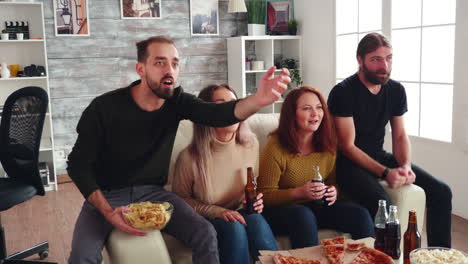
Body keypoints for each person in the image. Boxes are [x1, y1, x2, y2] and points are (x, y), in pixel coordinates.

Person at [66, 36, 290, 264]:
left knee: (205, 233)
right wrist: (106, 210)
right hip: (107, 193)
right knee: (82, 257)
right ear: (140, 69)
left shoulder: (177, 101)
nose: (169, 70)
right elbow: (77, 165)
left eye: (175, 63)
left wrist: (259, 99)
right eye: (160, 62)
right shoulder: (104, 108)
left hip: (154, 195)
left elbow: (217, 114)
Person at [327, 32, 452, 247]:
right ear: (360, 60)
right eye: (376, 59)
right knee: (382, 203)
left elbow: (400, 134)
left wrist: (404, 166)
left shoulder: (396, 90)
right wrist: (385, 173)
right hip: (347, 163)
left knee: (441, 192)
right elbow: (346, 147)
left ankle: (437, 256)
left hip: (378, 154)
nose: (384, 65)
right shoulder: (343, 92)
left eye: (389, 58)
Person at [172, 84, 278, 264]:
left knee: (256, 221)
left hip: (240, 212)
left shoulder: (251, 144)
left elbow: (253, 185)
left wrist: (257, 200)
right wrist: (217, 211)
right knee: (233, 227)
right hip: (206, 219)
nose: (230, 111)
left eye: (233, 104)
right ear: (207, 114)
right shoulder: (189, 157)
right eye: (221, 105)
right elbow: (179, 201)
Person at [257, 86, 374, 249]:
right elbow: (265, 195)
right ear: (292, 114)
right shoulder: (276, 147)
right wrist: (299, 192)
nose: (315, 114)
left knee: (360, 214)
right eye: (307, 109)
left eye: (319, 108)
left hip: (315, 207)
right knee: (303, 215)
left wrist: (333, 191)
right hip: (282, 212)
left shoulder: (328, 143)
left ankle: (368, 259)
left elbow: (332, 182)